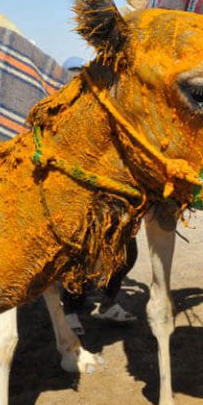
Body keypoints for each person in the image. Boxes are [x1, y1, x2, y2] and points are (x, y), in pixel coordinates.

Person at [59, 56, 139, 335]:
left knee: (128, 254)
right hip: (80, 196)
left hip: (115, 194)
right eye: (73, 75)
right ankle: (70, 311)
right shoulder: (64, 112)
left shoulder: (111, 108)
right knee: (80, 256)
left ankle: (107, 303)